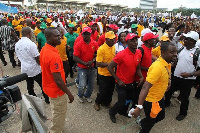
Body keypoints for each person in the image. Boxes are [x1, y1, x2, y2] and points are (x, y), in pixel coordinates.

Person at [132, 42, 177, 133]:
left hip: (159, 98)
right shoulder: (157, 67)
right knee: (151, 122)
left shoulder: (166, 63)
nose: (175, 54)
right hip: (151, 101)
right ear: (163, 52)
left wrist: (169, 81)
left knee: (161, 116)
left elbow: (167, 73)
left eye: (176, 52)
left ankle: (142, 122)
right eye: (172, 52)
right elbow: (145, 87)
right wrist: (139, 107)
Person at [40, 27, 74, 133]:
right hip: (56, 91)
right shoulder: (53, 55)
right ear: (48, 37)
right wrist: (69, 93)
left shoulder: (45, 49)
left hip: (49, 88)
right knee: (59, 114)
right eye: (56, 36)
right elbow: (58, 80)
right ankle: (55, 130)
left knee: (56, 111)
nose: (60, 37)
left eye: (59, 35)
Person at [107, 33, 144, 123]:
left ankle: (123, 111)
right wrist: (118, 80)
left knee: (129, 100)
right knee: (121, 101)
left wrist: (142, 77)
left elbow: (138, 67)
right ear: (127, 42)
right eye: (132, 41)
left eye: (136, 40)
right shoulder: (121, 54)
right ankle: (112, 112)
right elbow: (109, 67)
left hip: (131, 82)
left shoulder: (138, 53)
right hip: (121, 83)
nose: (135, 43)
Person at [165, 31, 200, 121]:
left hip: (188, 80)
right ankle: (167, 103)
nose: (184, 40)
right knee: (168, 91)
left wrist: (190, 74)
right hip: (176, 77)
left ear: (192, 41)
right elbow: (177, 60)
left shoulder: (197, 53)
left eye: (187, 39)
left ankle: (183, 113)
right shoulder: (181, 49)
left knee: (184, 97)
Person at [15, 27, 49, 104]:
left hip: (25, 69)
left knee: (30, 86)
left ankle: (33, 100)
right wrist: (42, 66)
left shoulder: (17, 44)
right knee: (42, 84)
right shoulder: (31, 44)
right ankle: (47, 99)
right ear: (29, 33)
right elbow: (37, 58)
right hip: (35, 69)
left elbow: (18, 57)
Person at [73, 27, 98, 103]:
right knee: (82, 85)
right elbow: (75, 57)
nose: (86, 36)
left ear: (90, 34)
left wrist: (92, 61)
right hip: (82, 67)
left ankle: (88, 95)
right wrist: (84, 63)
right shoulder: (78, 44)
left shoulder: (94, 43)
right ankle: (80, 95)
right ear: (82, 34)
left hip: (92, 67)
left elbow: (97, 54)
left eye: (88, 34)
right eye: (85, 34)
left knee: (91, 84)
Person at [94, 31, 116, 111]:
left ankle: (107, 103)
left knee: (110, 90)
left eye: (114, 39)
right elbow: (98, 63)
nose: (113, 41)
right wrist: (110, 64)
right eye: (111, 39)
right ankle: (97, 102)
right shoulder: (101, 49)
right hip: (103, 74)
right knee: (103, 91)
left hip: (112, 73)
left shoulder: (113, 47)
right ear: (106, 39)